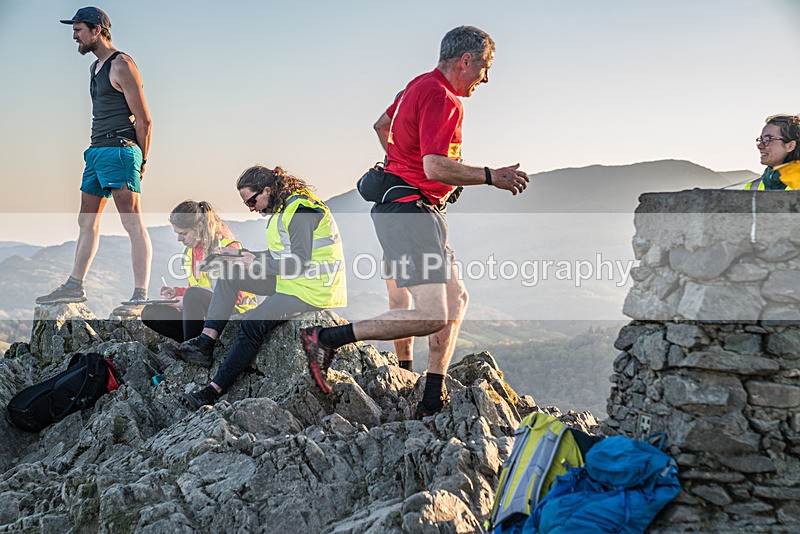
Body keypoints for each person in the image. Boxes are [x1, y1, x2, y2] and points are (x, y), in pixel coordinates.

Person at [300, 26, 529, 418]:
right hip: (410, 213)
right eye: (484, 68)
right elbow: (436, 165)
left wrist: (403, 168)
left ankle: (430, 396)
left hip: (414, 208)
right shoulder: (443, 98)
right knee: (430, 315)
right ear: (466, 61)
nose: (485, 78)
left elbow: (382, 128)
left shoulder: (414, 87)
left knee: (455, 299)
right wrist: (491, 176)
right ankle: (326, 338)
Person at [171, 166, 346, 409]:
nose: (251, 207)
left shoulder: (301, 209)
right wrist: (243, 255)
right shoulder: (285, 208)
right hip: (292, 280)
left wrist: (255, 261)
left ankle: (213, 389)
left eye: (252, 200)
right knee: (230, 272)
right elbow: (279, 255)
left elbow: (298, 262)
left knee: (252, 324)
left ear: (267, 190)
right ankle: (205, 343)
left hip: (312, 288)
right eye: (246, 204)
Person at [37, 7, 152, 305]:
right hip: (96, 151)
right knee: (86, 220)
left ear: (97, 30)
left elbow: (144, 121)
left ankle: (140, 295)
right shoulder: (94, 68)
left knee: (132, 223)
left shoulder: (122, 64)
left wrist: (141, 161)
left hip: (120, 150)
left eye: (78, 30)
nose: (74, 36)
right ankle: (75, 286)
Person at [141, 200, 257, 342]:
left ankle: (195, 348)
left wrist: (187, 298)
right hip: (206, 310)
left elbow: (233, 295)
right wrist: (177, 293)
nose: (179, 239)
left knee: (192, 295)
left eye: (183, 233)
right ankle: (190, 343)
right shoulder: (190, 252)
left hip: (235, 310)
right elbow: (197, 290)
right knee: (150, 313)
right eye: (177, 233)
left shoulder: (227, 247)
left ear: (200, 226)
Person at [745, 114, 800, 190]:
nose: (760, 146)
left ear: (790, 146)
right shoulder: (752, 188)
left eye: (768, 139)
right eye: (761, 140)